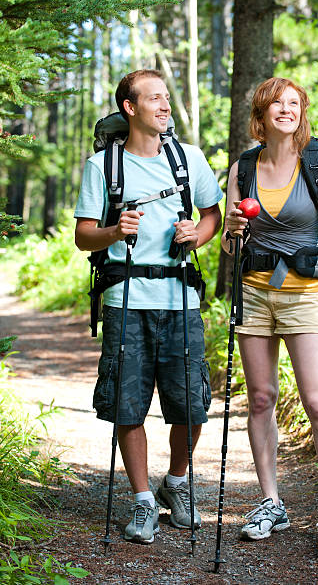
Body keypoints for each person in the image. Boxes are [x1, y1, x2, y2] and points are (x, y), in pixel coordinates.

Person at [221, 76, 318, 556]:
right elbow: (231, 243)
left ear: (301, 111)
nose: (285, 110)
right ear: (262, 114)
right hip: (254, 291)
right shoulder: (242, 168)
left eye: (293, 103)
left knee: (317, 400)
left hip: (306, 292)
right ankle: (271, 502)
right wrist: (231, 228)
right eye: (276, 104)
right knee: (262, 398)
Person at [74, 69, 222, 544]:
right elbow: (83, 236)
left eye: (166, 98)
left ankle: (175, 483)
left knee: (191, 405)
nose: (165, 105)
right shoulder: (103, 167)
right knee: (127, 402)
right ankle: (141, 500)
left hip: (181, 298)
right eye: (153, 99)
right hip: (125, 300)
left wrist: (195, 234)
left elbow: (212, 215)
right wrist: (116, 231)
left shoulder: (189, 159)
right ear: (129, 108)